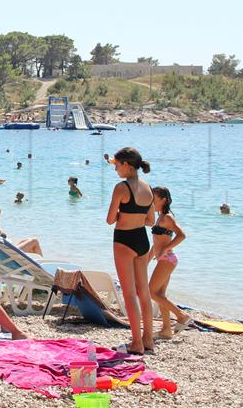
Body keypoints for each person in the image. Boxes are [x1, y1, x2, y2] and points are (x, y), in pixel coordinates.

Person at [106, 147, 155, 355]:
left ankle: (136, 343)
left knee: (129, 293)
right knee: (143, 292)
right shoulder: (148, 188)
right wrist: (134, 217)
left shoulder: (121, 188)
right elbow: (151, 220)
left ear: (126, 165)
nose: (116, 169)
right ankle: (148, 339)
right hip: (142, 240)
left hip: (124, 241)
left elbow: (109, 219)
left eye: (117, 165)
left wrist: (120, 216)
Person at [148, 186, 192, 339]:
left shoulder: (167, 217)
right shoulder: (160, 217)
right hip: (164, 259)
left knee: (151, 292)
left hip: (167, 260)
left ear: (164, 200)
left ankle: (181, 316)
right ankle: (166, 330)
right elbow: (156, 242)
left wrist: (164, 249)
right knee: (160, 295)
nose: (151, 201)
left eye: (154, 199)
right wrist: (148, 259)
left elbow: (181, 235)